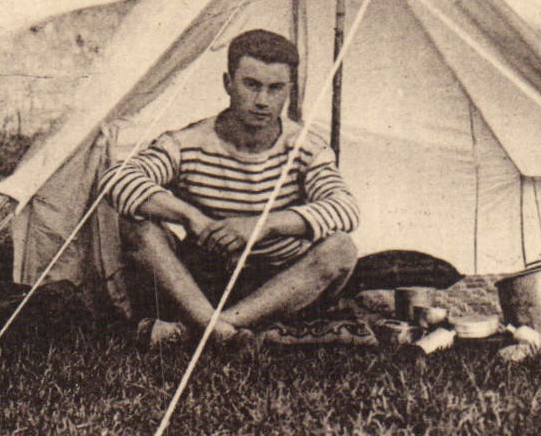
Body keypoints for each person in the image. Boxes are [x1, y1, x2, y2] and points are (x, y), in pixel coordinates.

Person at [100, 29, 360, 348]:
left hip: (278, 283)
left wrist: (262, 226)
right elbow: (115, 180)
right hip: (204, 282)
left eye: (275, 89)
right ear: (228, 83)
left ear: (289, 91)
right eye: (251, 85)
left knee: (341, 247)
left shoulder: (306, 148)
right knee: (134, 225)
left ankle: (210, 328)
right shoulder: (188, 143)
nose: (262, 101)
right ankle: (225, 333)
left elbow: (345, 208)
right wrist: (191, 216)